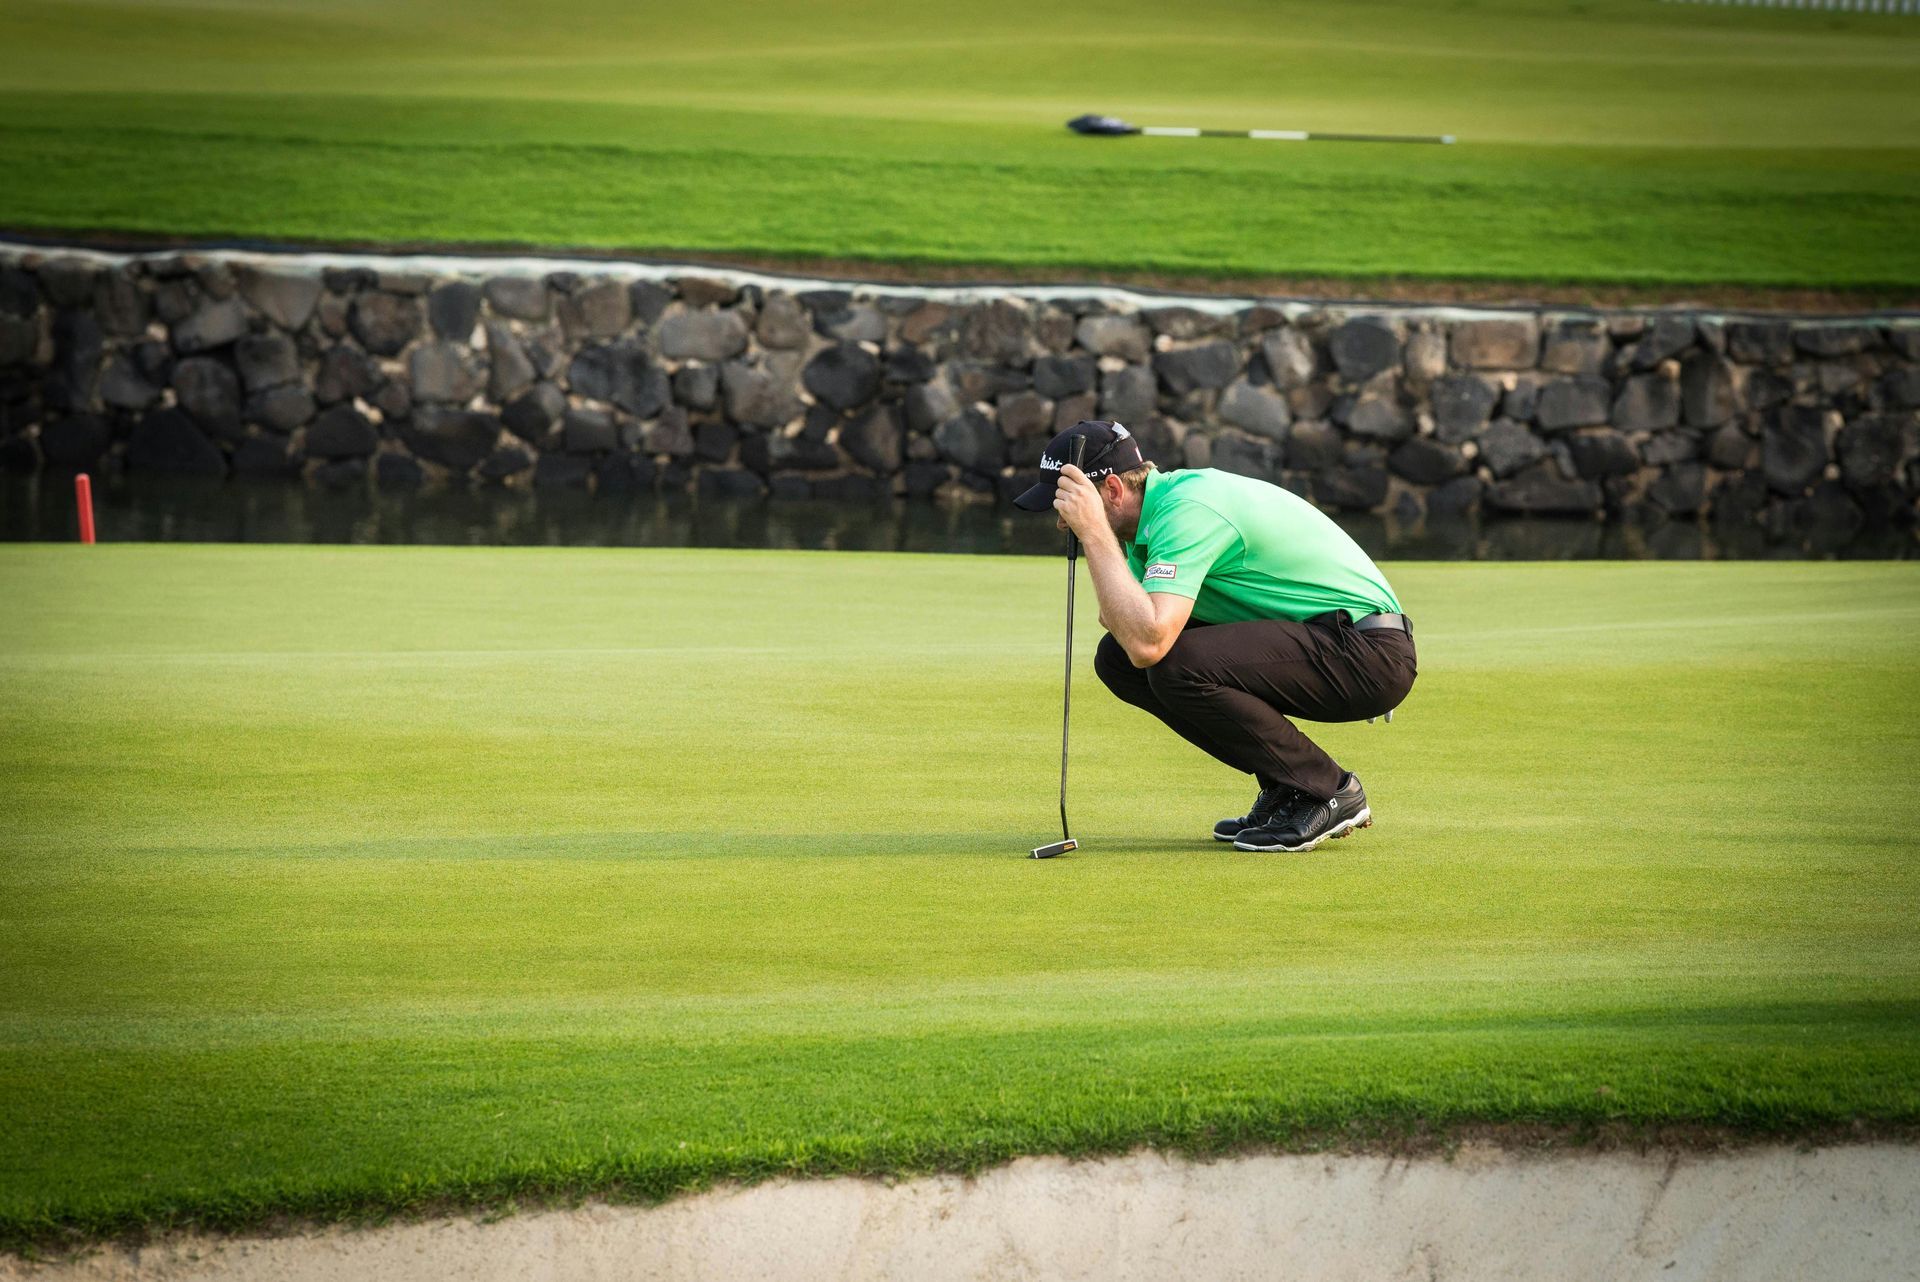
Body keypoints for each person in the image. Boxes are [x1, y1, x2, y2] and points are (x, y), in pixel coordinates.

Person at [1013, 420, 1416, 852]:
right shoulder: (1144, 524)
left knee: (1173, 663)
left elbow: (1150, 640)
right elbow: (1120, 624)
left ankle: (1326, 790)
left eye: (1070, 506)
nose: (1061, 523)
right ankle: (1287, 785)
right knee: (1117, 659)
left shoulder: (1187, 510)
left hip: (1365, 651)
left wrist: (1092, 530)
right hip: (1326, 640)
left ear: (1112, 491)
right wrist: (1100, 534)